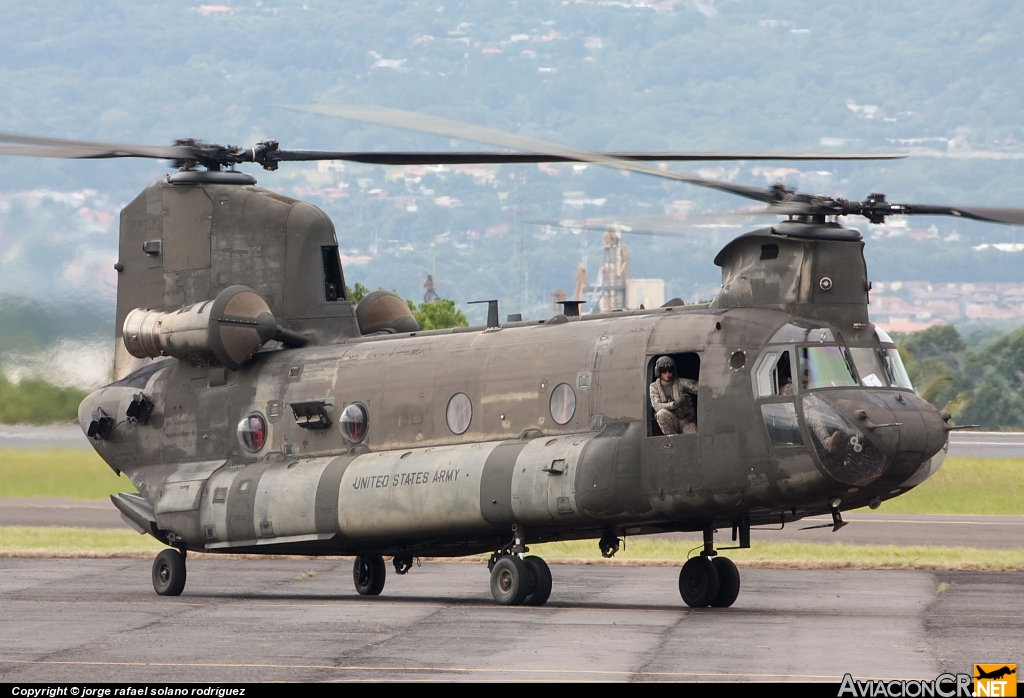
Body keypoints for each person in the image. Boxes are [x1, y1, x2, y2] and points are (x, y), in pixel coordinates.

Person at [649, 356, 699, 435]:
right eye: (664, 371)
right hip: (672, 421)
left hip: (686, 421)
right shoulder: (654, 386)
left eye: (670, 371)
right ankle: (673, 437)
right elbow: (656, 406)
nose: (667, 374)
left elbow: (698, 387)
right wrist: (675, 404)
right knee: (661, 414)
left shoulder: (680, 382)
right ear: (659, 372)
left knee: (693, 435)